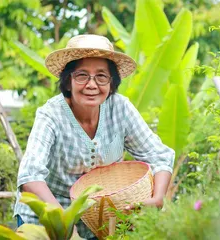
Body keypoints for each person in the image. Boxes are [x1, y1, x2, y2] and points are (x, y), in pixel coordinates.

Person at [13, 34, 175, 239]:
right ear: (68, 81)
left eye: (101, 76)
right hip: (47, 216)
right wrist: (62, 220)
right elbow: (30, 175)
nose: (92, 85)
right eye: (82, 75)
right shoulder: (51, 115)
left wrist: (158, 198)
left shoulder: (120, 108)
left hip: (102, 220)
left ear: (112, 82)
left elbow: (159, 155)